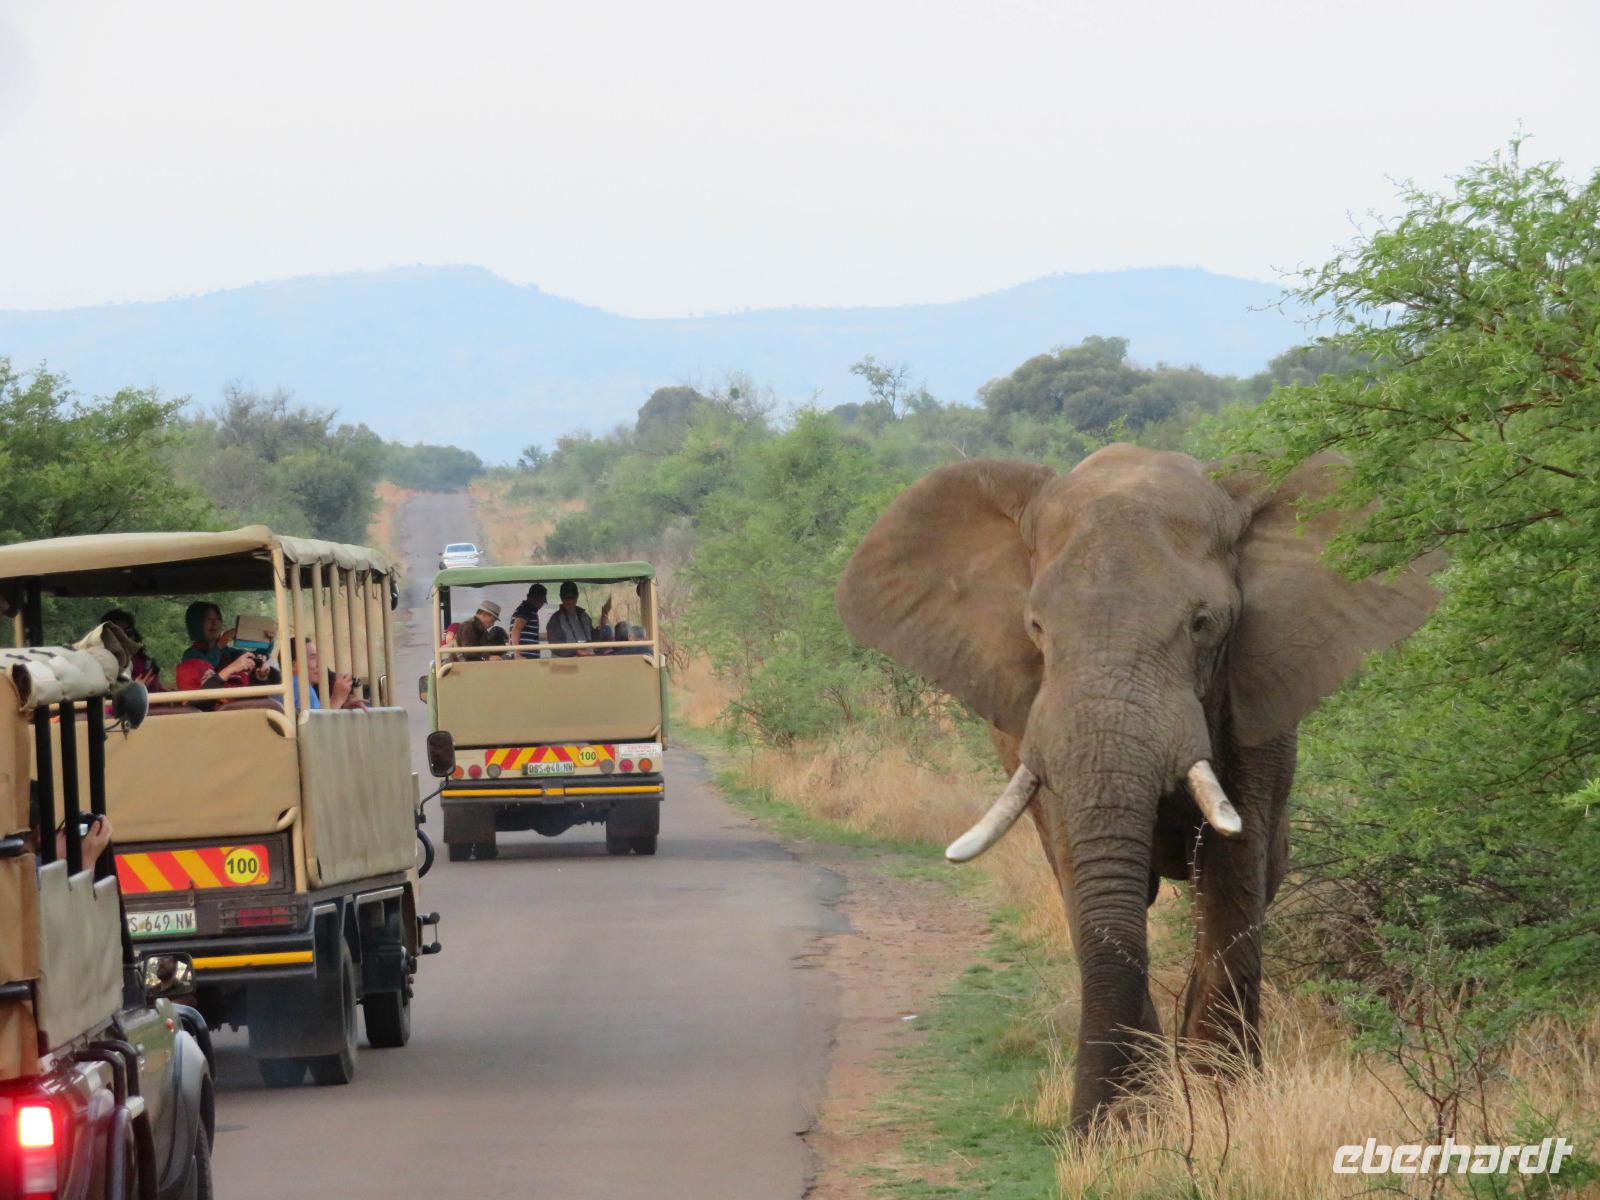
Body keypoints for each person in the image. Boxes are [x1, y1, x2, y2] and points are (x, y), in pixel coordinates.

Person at [175, 601, 278, 707]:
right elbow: (206, 668)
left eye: (218, 619)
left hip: (235, 706)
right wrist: (221, 644)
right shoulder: (191, 655)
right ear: (196, 624)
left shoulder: (227, 651)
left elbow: (253, 658)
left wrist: (268, 641)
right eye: (208, 619)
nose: (215, 623)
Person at [288, 639, 366, 710]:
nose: (320, 663)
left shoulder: (295, 686)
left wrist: (342, 706)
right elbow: (319, 724)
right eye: (313, 657)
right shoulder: (300, 685)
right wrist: (337, 699)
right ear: (293, 665)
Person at [100, 608, 164, 690]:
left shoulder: (145, 663)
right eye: (117, 634)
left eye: (128, 632)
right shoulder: (100, 667)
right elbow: (101, 699)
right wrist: (134, 689)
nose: (124, 638)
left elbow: (158, 691)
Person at [546, 582, 609, 656]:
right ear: (561, 598)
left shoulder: (584, 616)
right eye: (566, 598)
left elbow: (593, 638)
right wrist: (577, 651)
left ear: (577, 596)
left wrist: (601, 625)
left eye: (572, 597)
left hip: (589, 659)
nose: (569, 601)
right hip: (567, 664)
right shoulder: (555, 620)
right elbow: (556, 647)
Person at [509, 584, 547, 658]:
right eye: (540, 601)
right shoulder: (526, 609)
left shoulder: (525, 609)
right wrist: (517, 655)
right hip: (524, 657)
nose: (541, 604)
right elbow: (515, 630)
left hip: (526, 656)